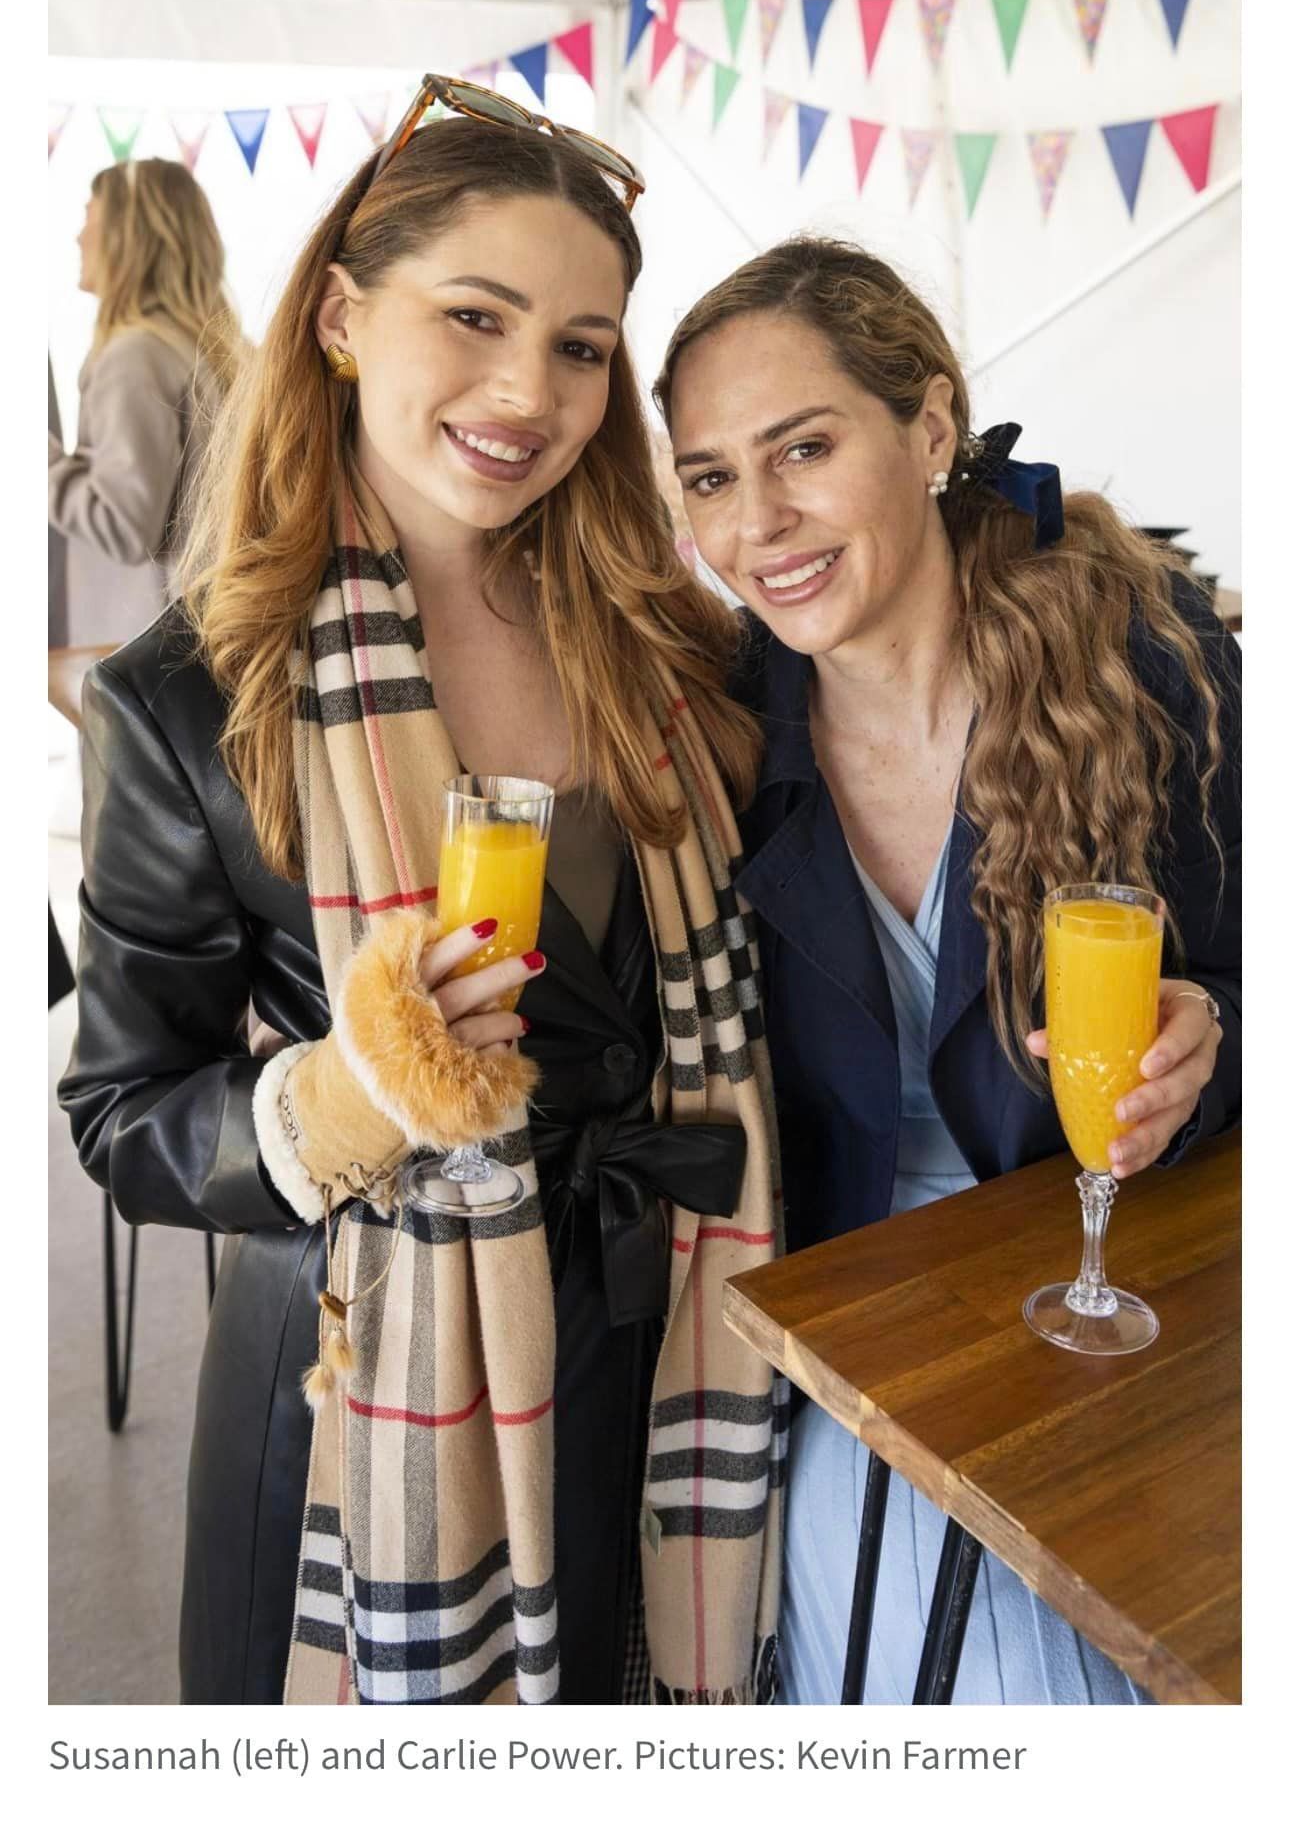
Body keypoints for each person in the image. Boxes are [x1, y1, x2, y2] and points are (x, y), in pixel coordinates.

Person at [59, 92, 785, 1708]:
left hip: (654, 1339)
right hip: (357, 1391)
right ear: (338, 314)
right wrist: (352, 1090)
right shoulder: (191, 700)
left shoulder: (671, 645)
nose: (532, 392)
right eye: (475, 316)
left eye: (584, 345)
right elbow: (125, 1115)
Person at [655, 236, 1240, 1705]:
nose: (758, 522)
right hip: (847, 1358)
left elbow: (1244, 975)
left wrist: (1210, 1040)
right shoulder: (712, 738)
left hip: (1121, 1325)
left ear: (926, 429)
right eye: (711, 477)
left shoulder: (1145, 667)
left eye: (803, 447)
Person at [48, 157, 241, 649]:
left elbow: (124, 527)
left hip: (143, 645)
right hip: (202, 633)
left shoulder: (134, 355)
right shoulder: (211, 347)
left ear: (127, 237)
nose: (78, 237)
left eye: (90, 219)